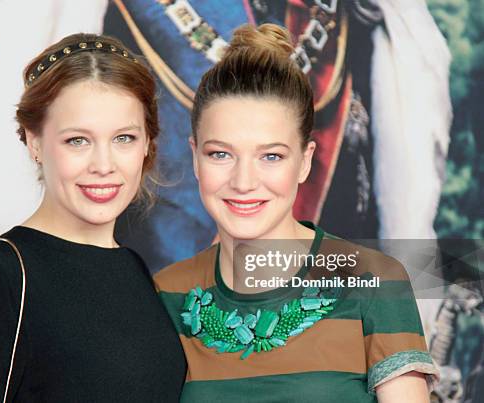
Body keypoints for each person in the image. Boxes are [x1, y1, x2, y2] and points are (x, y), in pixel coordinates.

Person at [153, 24, 439, 402]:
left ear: (304, 162)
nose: (243, 181)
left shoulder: (374, 283)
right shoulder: (165, 294)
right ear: (194, 156)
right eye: (220, 154)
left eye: (271, 156)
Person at [0, 33, 186, 402]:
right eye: (77, 140)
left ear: (147, 144)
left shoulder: (133, 268)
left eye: (124, 138)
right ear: (34, 142)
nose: (103, 165)